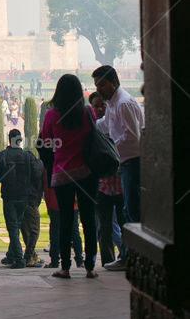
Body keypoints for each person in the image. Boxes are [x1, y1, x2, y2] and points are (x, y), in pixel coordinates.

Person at [39, 73, 99, 279]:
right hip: (86, 172)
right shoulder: (88, 112)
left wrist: (51, 165)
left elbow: (45, 144)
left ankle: (65, 267)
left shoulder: (51, 116)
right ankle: (90, 266)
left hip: (62, 173)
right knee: (89, 219)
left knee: (65, 220)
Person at [92, 64, 144, 271]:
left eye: (102, 85)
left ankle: (132, 257)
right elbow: (105, 125)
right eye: (97, 85)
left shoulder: (123, 103)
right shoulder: (113, 103)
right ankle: (128, 256)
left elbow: (133, 137)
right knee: (128, 211)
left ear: (114, 82)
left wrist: (110, 151)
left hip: (133, 162)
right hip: (126, 164)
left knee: (133, 213)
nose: (99, 90)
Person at [0, 129, 33, 269]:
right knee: (17, 224)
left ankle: (18, 258)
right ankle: (11, 254)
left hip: (10, 196)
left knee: (13, 227)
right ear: (20, 140)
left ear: (9, 139)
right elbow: (34, 175)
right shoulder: (27, 156)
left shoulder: (2, 156)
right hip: (23, 196)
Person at [22, 142, 45, 267]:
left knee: (25, 228)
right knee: (35, 229)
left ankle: (31, 254)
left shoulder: (23, 168)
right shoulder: (39, 165)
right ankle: (29, 255)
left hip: (22, 199)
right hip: (33, 200)